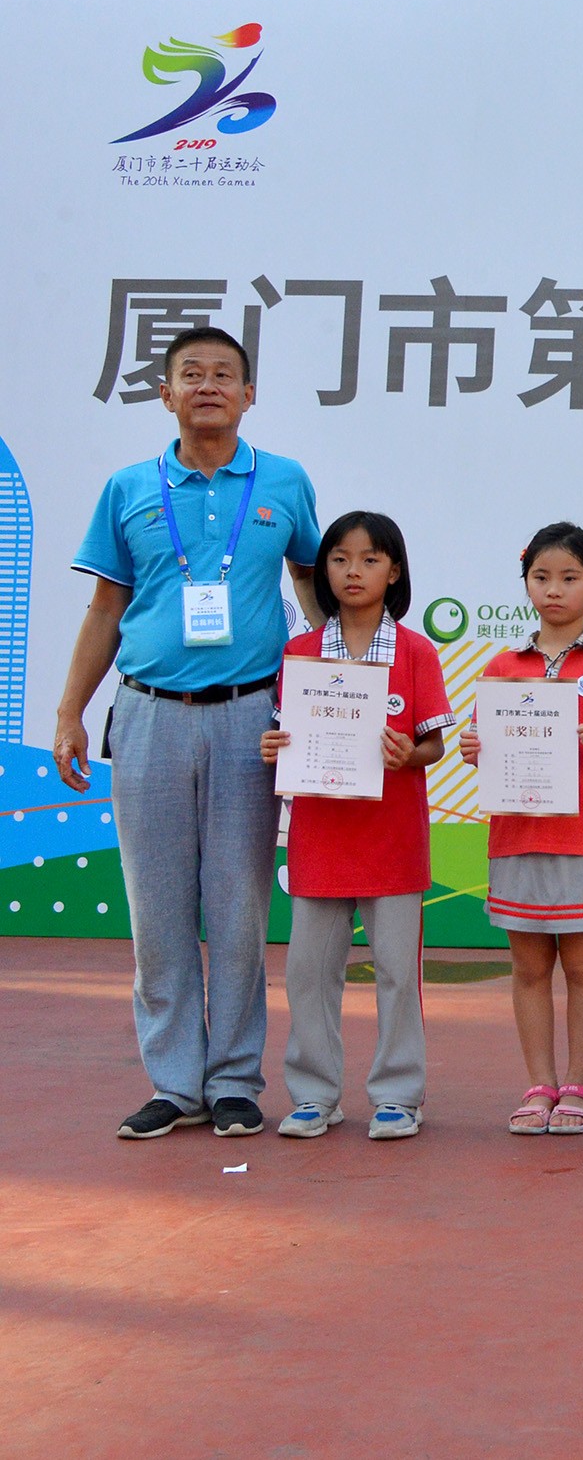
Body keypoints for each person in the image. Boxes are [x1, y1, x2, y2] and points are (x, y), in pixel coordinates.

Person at [55, 326, 322, 1140]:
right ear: (166, 393)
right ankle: (174, 1082)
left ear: (249, 395)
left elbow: (315, 591)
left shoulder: (283, 481)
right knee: (157, 906)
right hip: (147, 714)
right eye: (191, 374)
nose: (208, 385)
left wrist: (337, 696)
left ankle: (236, 1078)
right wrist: (70, 710)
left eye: (225, 375)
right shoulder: (129, 486)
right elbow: (105, 608)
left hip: (251, 717)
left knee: (238, 905)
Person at [262, 512, 453, 1140]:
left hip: (392, 841)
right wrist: (277, 744)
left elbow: (434, 747)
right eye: (340, 559)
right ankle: (315, 1095)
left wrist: (409, 754)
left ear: (393, 571)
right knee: (309, 973)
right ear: (325, 571)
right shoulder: (300, 652)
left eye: (370, 560)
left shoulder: (417, 651)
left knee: (398, 972)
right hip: (318, 838)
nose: (353, 571)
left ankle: (399, 1095)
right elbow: (288, 733)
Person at [459, 523, 583, 1135]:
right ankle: (539, 1083)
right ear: (525, 583)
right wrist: (474, 746)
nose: (554, 590)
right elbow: (483, 741)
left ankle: (580, 1087)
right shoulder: (504, 664)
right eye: (541, 577)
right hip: (517, 835)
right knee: (528, 966)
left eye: (569, 578)